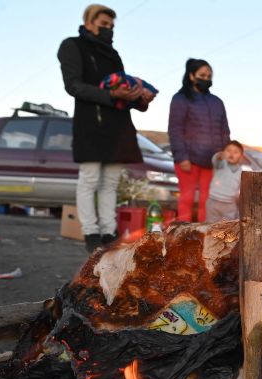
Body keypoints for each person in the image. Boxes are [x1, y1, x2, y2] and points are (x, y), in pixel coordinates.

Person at [58, 4, 156, 253]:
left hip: (117, 125)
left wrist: (138, 98)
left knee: (111, 182)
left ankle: (108, 231)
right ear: (89, 22)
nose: (108, 30)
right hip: (91, 123)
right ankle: (90, 231)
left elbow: (122, 89)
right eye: (103, 25)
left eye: (111, 27)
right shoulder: (72, 46)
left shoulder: (113, 54)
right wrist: (110, 94)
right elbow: (74, 86)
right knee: (89, 179)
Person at [168, 58, 230, 223]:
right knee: (187, 198)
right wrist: (181, 157)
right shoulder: (180, 99)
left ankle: (205, 234)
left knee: (207, 200)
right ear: (191, 76)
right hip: (189, 159)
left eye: (209, 75)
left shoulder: (217, 102)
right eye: (202, 75)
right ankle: (182, 234)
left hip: (212, 161)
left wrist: (224, 151)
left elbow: (224, 130)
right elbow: (175, 130)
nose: (206, 79)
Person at [206, 141, 250, 223]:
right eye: (228, 151)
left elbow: (240, 188)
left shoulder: (241, 172)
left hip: (229, 204)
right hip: (214, 201)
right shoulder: (221, 164)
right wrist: (219, 156)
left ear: (241, 156)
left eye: (236, 152)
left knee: (227, 226)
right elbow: (216, 160)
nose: (231, 154)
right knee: (211, 224)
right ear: (224, 153)